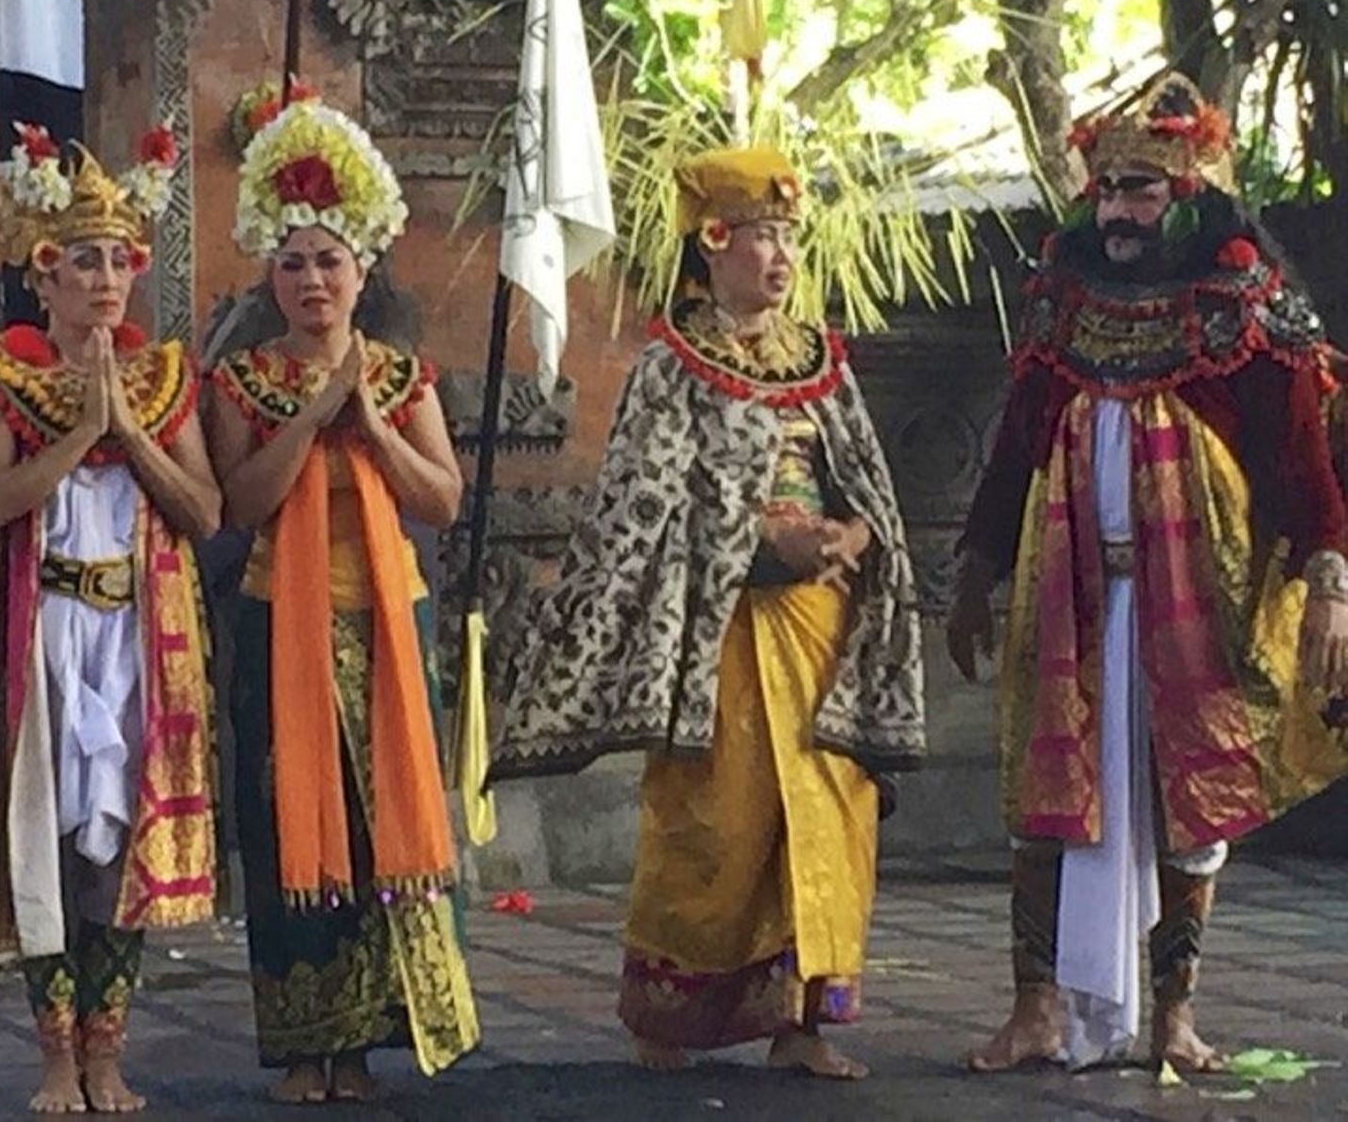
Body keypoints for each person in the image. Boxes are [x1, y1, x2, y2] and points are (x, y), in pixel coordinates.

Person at [491, 145, 926, 1079]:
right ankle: (667, 1018)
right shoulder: (672, 368)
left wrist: (850, 537)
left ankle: (802, 1022)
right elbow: (649, 515)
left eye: (787, 238)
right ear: (713, 244)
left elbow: (869, 490)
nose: (779, 257)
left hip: (822, 633)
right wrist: (770, 545)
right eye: (762, 236)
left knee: (825, 815)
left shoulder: (822, 361)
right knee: (717, 825)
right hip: (718, 635)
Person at [949, 74, 1348, 1075]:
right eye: (1109, 188)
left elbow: (1304, 460)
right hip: (1067, 599)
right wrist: (973, 565)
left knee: (1192, 803)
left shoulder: (1242, 298)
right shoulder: (1062, 295)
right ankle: (1036, 1009)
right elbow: (1017, 444)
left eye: (1141, 190)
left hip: (1196, 603)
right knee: (1042, 792)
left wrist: (1332, 583)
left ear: (1188, 190)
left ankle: (1175, 1015)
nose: (1119, 211)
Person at [0, 124, 221, 1114]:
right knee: (42, 833)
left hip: (134, 635)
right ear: (43, 279)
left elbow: (205, 513)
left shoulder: (165, 380)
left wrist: (126, 429)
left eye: (119, 261)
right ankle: (54, 1053)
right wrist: (82, 431)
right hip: (40, 632)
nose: (105, 278)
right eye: (83, 260)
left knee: (118, 836)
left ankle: (107, 1048)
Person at [206, 98, 479, 1104]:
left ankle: (366, 1040)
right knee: (287, 820)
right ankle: (302, 1042)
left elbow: (442, 500)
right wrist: (317, 414)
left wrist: (370, 421)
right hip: (281, 623)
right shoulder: (241, 384)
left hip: (385, 620)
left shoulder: (404, 379)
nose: (313, 280)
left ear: (363, 270)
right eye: (293, 264)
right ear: (270, 280)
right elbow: (237, 505)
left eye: (329, 261)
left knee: (379, 826)